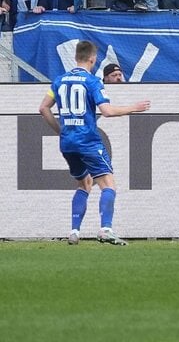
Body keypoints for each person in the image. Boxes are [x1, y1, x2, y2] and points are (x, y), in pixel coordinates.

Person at [37, 40, 151, 245]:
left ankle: (74, 232)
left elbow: (43, 108)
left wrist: (61, 131)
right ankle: (106, 229)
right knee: (108, 184)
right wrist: (133, 107)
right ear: (93, 58)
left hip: (67, 143)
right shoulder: (92, 81)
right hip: (88, 140)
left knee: (84, 183)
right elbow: (106, 111)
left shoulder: (59, 81)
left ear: (76, 57)